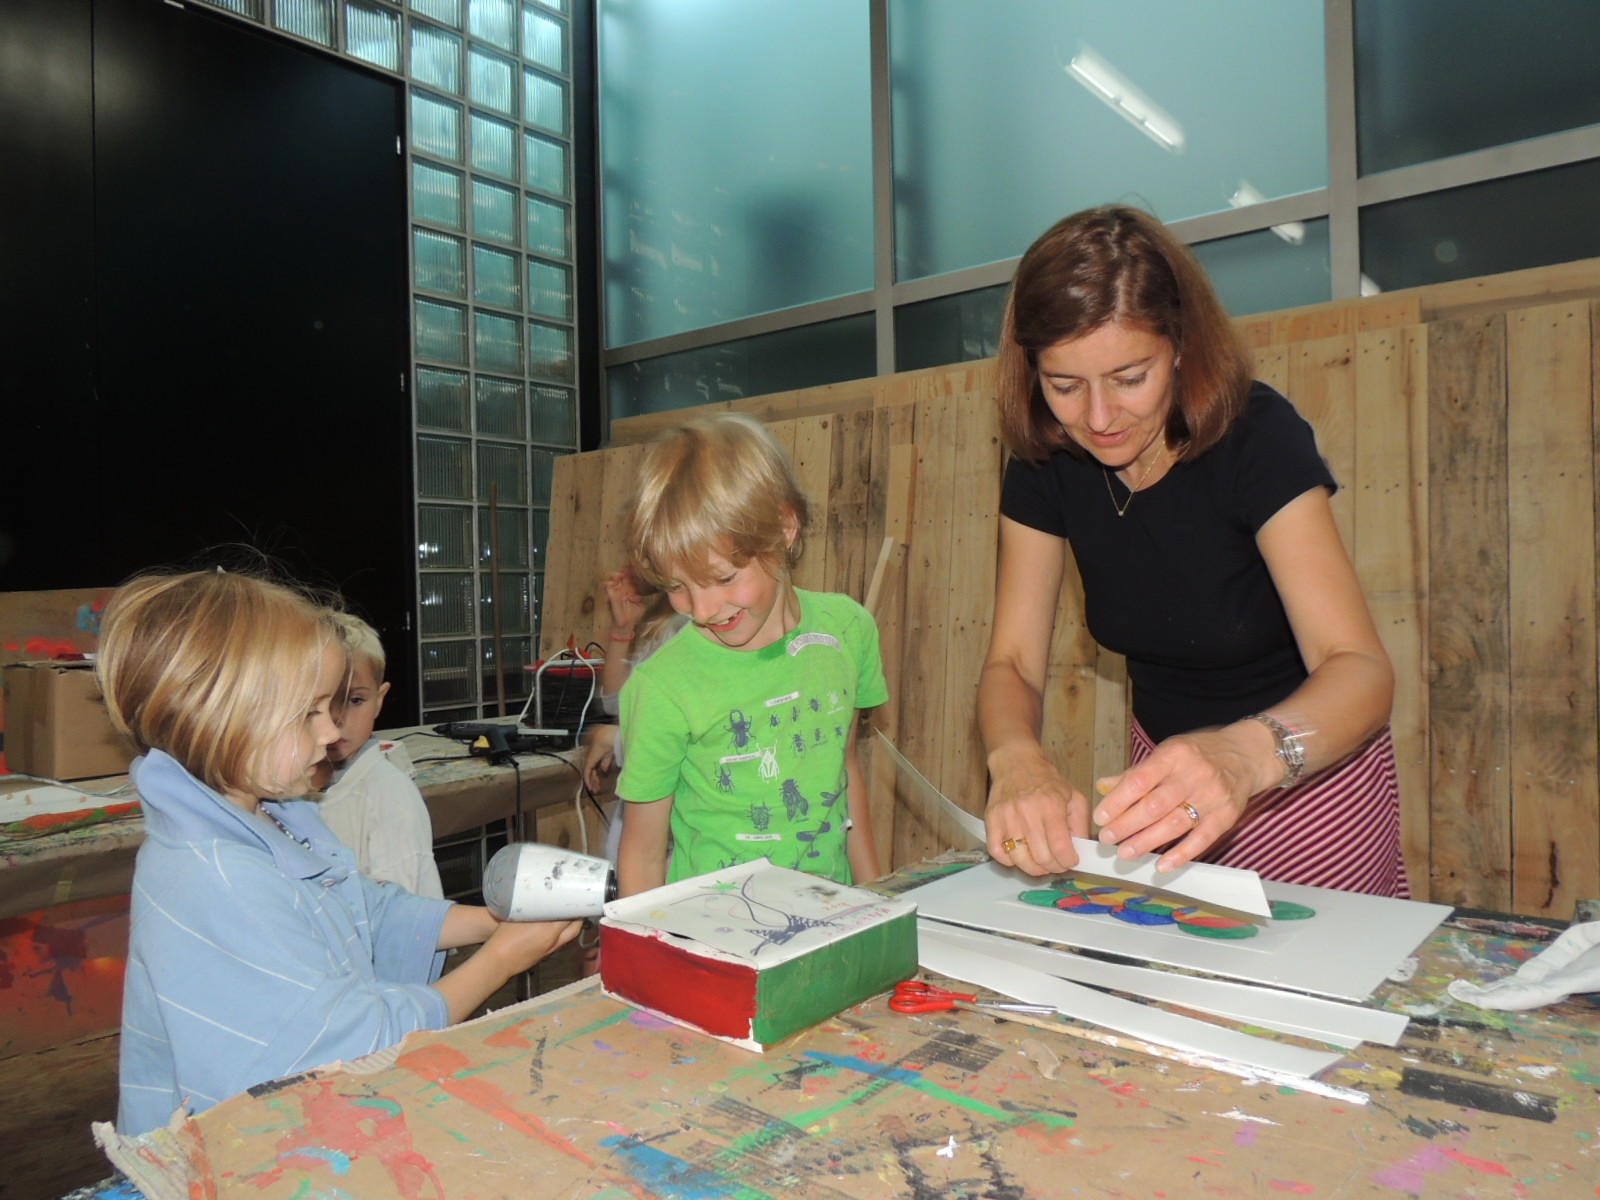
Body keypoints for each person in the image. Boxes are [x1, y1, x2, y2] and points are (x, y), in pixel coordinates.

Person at [979, 205, 1407, 898]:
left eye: (1129, 378)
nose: (1098, 418)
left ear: (1180, 345)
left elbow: (1358, 668)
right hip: (1164, 780)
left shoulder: (1255, 437)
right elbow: (1013, 663)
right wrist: (1016, 756)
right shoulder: (1046, 461)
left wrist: (1244, 754)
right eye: (1065, 386)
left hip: (1300, 773)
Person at [98, 568, 582, 1135]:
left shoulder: (268, 816)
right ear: (221, 718)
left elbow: (360, 910)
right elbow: (347, 1047)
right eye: (309, 712)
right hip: (229, 1151)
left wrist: (492, 921)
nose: (331, 732)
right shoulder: (217, 877)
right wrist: (500, 960)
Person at [614, 413, 888, 897]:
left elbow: (844, 771)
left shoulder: (849, 631)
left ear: (784, 529)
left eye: (723, 578)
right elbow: (642, 855)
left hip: (831, 915)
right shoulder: (661, 688)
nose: (702, 610)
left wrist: (877, 897)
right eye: (677, 586)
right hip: (709, 930)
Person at [313, 611, 444, 898]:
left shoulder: (390, 796)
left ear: (379, 700)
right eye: (318, 702)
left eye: (354, 700)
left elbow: (403, 909)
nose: (335, 718)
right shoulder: (286, 784)